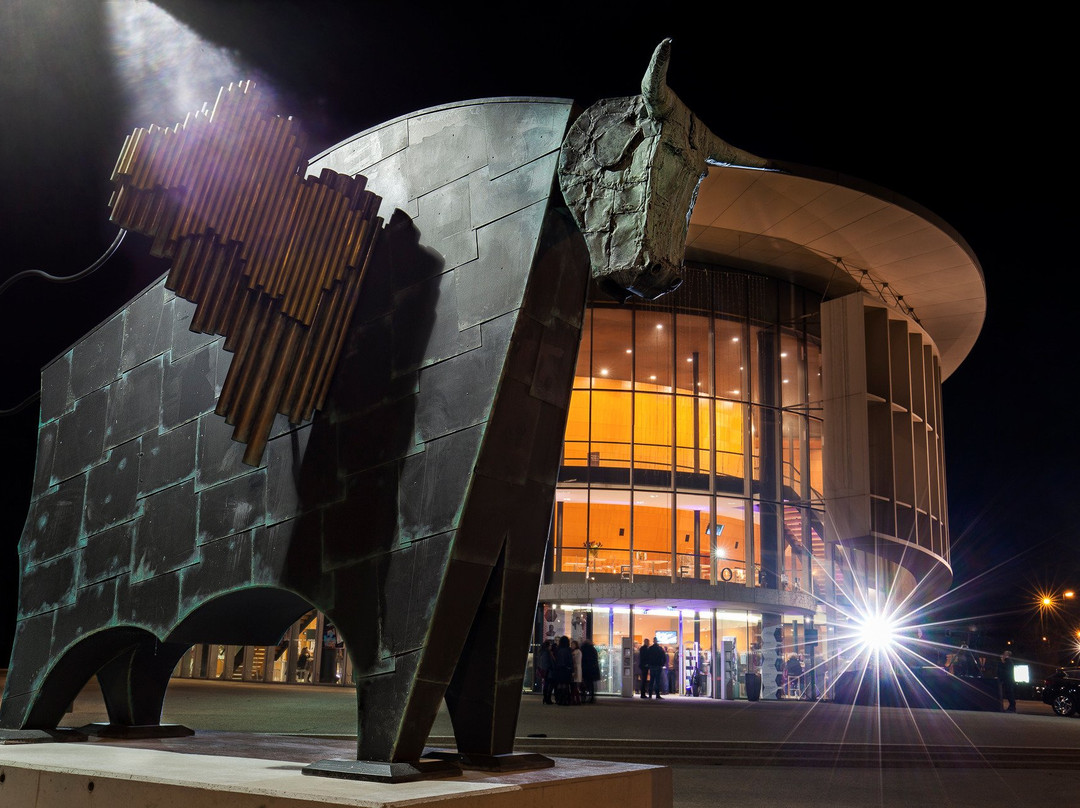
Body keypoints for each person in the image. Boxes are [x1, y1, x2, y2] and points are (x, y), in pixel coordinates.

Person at [552, 636, 574, 705]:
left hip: (558, 669)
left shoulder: (558, 649)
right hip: (566, 669)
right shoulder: (568, 650)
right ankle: (565, 700)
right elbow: (570, 661)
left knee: (559, 684)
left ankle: (559, 699)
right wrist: (572, 669)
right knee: (566, 684)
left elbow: (555, 660)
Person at [570, 640, 583, 705]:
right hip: (576, 669)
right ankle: (576, 700)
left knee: (574, 686)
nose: (571, 646)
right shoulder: (577, 651)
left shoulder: (577, 652)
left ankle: (576, 700)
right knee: (574, 686)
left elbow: (573, 660)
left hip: (576, 670)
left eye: (573, 644)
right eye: (571, 644)